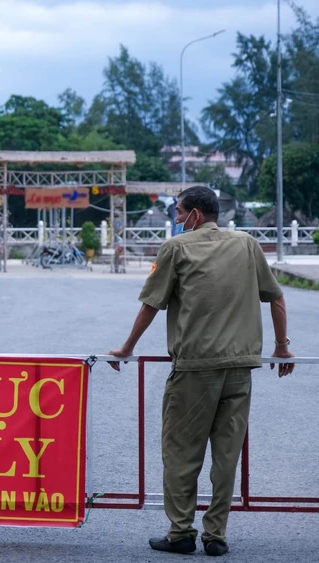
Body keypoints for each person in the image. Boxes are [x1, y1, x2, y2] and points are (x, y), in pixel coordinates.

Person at [107, 186, 295, 557]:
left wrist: (127, 347)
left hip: (195, 367)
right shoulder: (246, 244)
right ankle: (216, 535)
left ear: (194, 213)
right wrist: (282, 345)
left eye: (179, 212)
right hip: (240, 367)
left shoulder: (177, 248)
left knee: (181, 452)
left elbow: (151, 304)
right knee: (227, 454)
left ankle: (180, 533)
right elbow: (275, 296)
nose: (176, 219)